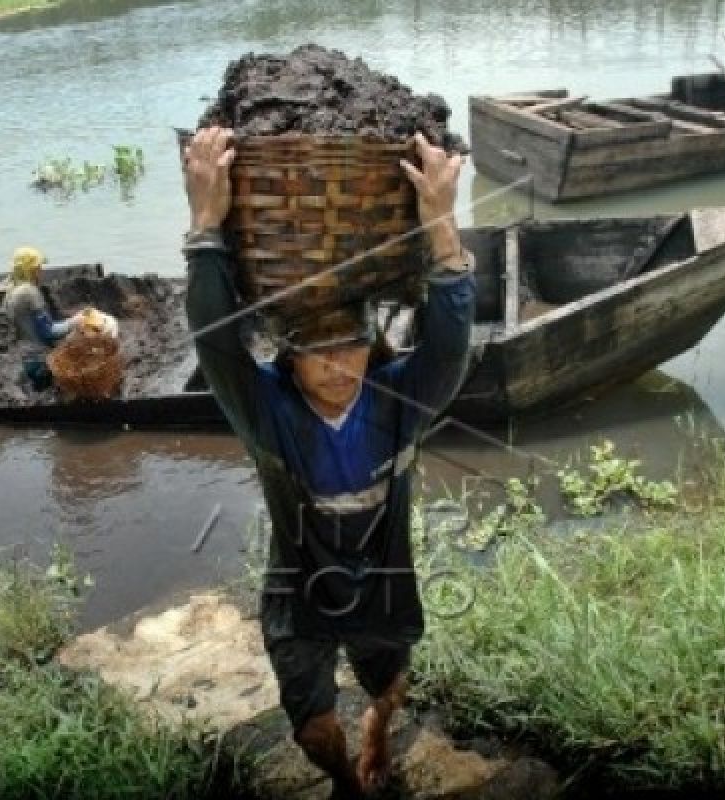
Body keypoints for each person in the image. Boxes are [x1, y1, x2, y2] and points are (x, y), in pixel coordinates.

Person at [183, 126, 474, 797]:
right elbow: (216, 341)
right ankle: (343, 779)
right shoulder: (268, 411)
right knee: (313, 732)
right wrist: (205, 226)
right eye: (317, 352)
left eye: (350, 346)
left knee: (391, 686)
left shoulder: (399, 399)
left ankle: (377, 730)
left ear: (373, 344)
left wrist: (440, 221)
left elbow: (451, 343)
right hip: (299, 594)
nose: (338, 366)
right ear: (288, 358)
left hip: (384, 583)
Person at [1, 246, 75, 390]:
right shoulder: (29, 292)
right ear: (29, 270)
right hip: (41, 361)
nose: (41, 272)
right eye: (38, 268)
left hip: (24, 358)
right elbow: (49, 332)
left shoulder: (10, 291)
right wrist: (75, 322)